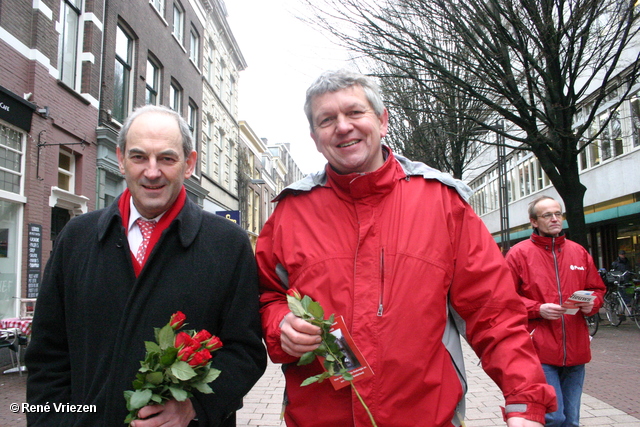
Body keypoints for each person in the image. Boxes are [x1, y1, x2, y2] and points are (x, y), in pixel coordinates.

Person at [256, 69, 557, 427]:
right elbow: (267, 297)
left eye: (355, 113)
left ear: (382, 122)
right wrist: (281, 326)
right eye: (327, 120)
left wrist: (524, 400)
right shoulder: (291, 213)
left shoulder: (443, 203)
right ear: (315, 137)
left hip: (424, 416)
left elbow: (492, 311)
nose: (343, 126)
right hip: (318, 418)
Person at [25, 105, 267, 426]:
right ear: (121, 159)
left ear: (189, 163)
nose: (152, 172)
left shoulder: (228, 244)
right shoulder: (77, 237)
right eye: (139, 157)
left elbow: (246, 352)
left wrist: (195, 407)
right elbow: (47, 354)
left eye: (166, 159)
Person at [505, 196, 606, 427]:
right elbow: (504, 300)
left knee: (571, 420)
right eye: (547, 215)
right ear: (534, 221)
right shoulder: (519, 254)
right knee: (554, 417)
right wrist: (537, 308)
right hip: (539, 350)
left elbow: (596, 288)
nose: (554, 219)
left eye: (558, 214)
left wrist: (594, 303)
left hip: (576, 349)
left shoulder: (578, 252)